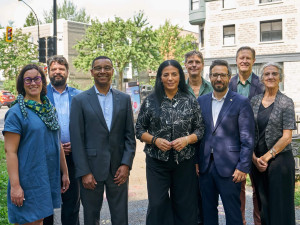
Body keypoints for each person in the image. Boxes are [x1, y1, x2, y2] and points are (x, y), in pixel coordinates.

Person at [136, 59, 204, 225]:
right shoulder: (151, 101)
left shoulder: (189, 100)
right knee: (157, 204)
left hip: (184, 161)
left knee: (184, 205)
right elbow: (139, 129)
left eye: (174, 74)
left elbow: (200, 129)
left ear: (180, 76)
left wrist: (187, 139)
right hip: (157, 161)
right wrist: (155, 140)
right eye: (166, 75)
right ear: (160, 78)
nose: (170, 78)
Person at [69, 56, 136, 225]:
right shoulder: (80, 100)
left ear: (112, 71)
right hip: (91, 170)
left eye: (107, 67)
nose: (103, 71)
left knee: (120, 218)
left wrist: (126, 164)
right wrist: (84, 172)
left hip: (118, 170)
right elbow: (77, 140)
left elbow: (129, 136)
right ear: (92, 72)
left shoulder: (124, 99)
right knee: (91, 218)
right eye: (98, 68)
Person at [3, 64, 69, 225]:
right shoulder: (16, 112)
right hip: (28, 178)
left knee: (38, 220)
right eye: (28, 79)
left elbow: (57, 142)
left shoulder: (49, 110)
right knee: (30, 221)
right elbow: (10, 152)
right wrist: (15, 186)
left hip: (46, 176)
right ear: (22, 84)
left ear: (42, 81)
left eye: (37, 78)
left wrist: (65, 172)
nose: (33, 83)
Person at [197, 59, 255, 225]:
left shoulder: (241, 102)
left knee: (233, 212)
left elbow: (248, 137)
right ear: (210, 77)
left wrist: (243, 166)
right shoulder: (201, 101)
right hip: (206, 165)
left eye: (222, 75)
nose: (218, 78)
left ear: (229, 77)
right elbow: (198, 134)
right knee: (208, 211)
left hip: (231, 168)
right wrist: (196, 161)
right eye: (215, 75)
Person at [251, 62, 296, 225]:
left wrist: (266, 157)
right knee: (264, 207)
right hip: (258, 164)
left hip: (280, 162)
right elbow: (248, 132)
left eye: (274, 74)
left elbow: (287, 137)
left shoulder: (286, 102)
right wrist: (254, 158)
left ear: (280, 78)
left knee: (281, 206)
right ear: (262, 78)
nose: (270, 77)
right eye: (267, 74)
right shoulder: (254, 101)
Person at [43, 56, 82, 225]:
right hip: (48, 157)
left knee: (72, 203)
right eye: (54, 69)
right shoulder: (41, 94)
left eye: (61, 69)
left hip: (73, 157)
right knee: (46, 203)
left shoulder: (79, 96)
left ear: (67, 72)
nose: (57, 72)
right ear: (48, 72)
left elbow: (85, 126)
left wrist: (77, 145)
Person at [229, 46, 264, 225]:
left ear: (253, 61)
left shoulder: (263, 84)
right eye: (241, 58)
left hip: (258, 144)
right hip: (235, 145)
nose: (244, 61)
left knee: (259, 189)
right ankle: (240, 221)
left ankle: (258, 222)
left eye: (248, 58)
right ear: (236, 61)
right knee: (238, 187)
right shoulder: (229, 84)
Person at [184, 50, 212, 225]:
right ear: (185, 65)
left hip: (208, 144)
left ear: (202, 65)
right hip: (184, 145)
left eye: (197, 62)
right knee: (187, 191)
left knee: (206, 190)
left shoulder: (211, 87)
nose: (194, 65)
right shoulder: (178, 87)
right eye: (190, 62)